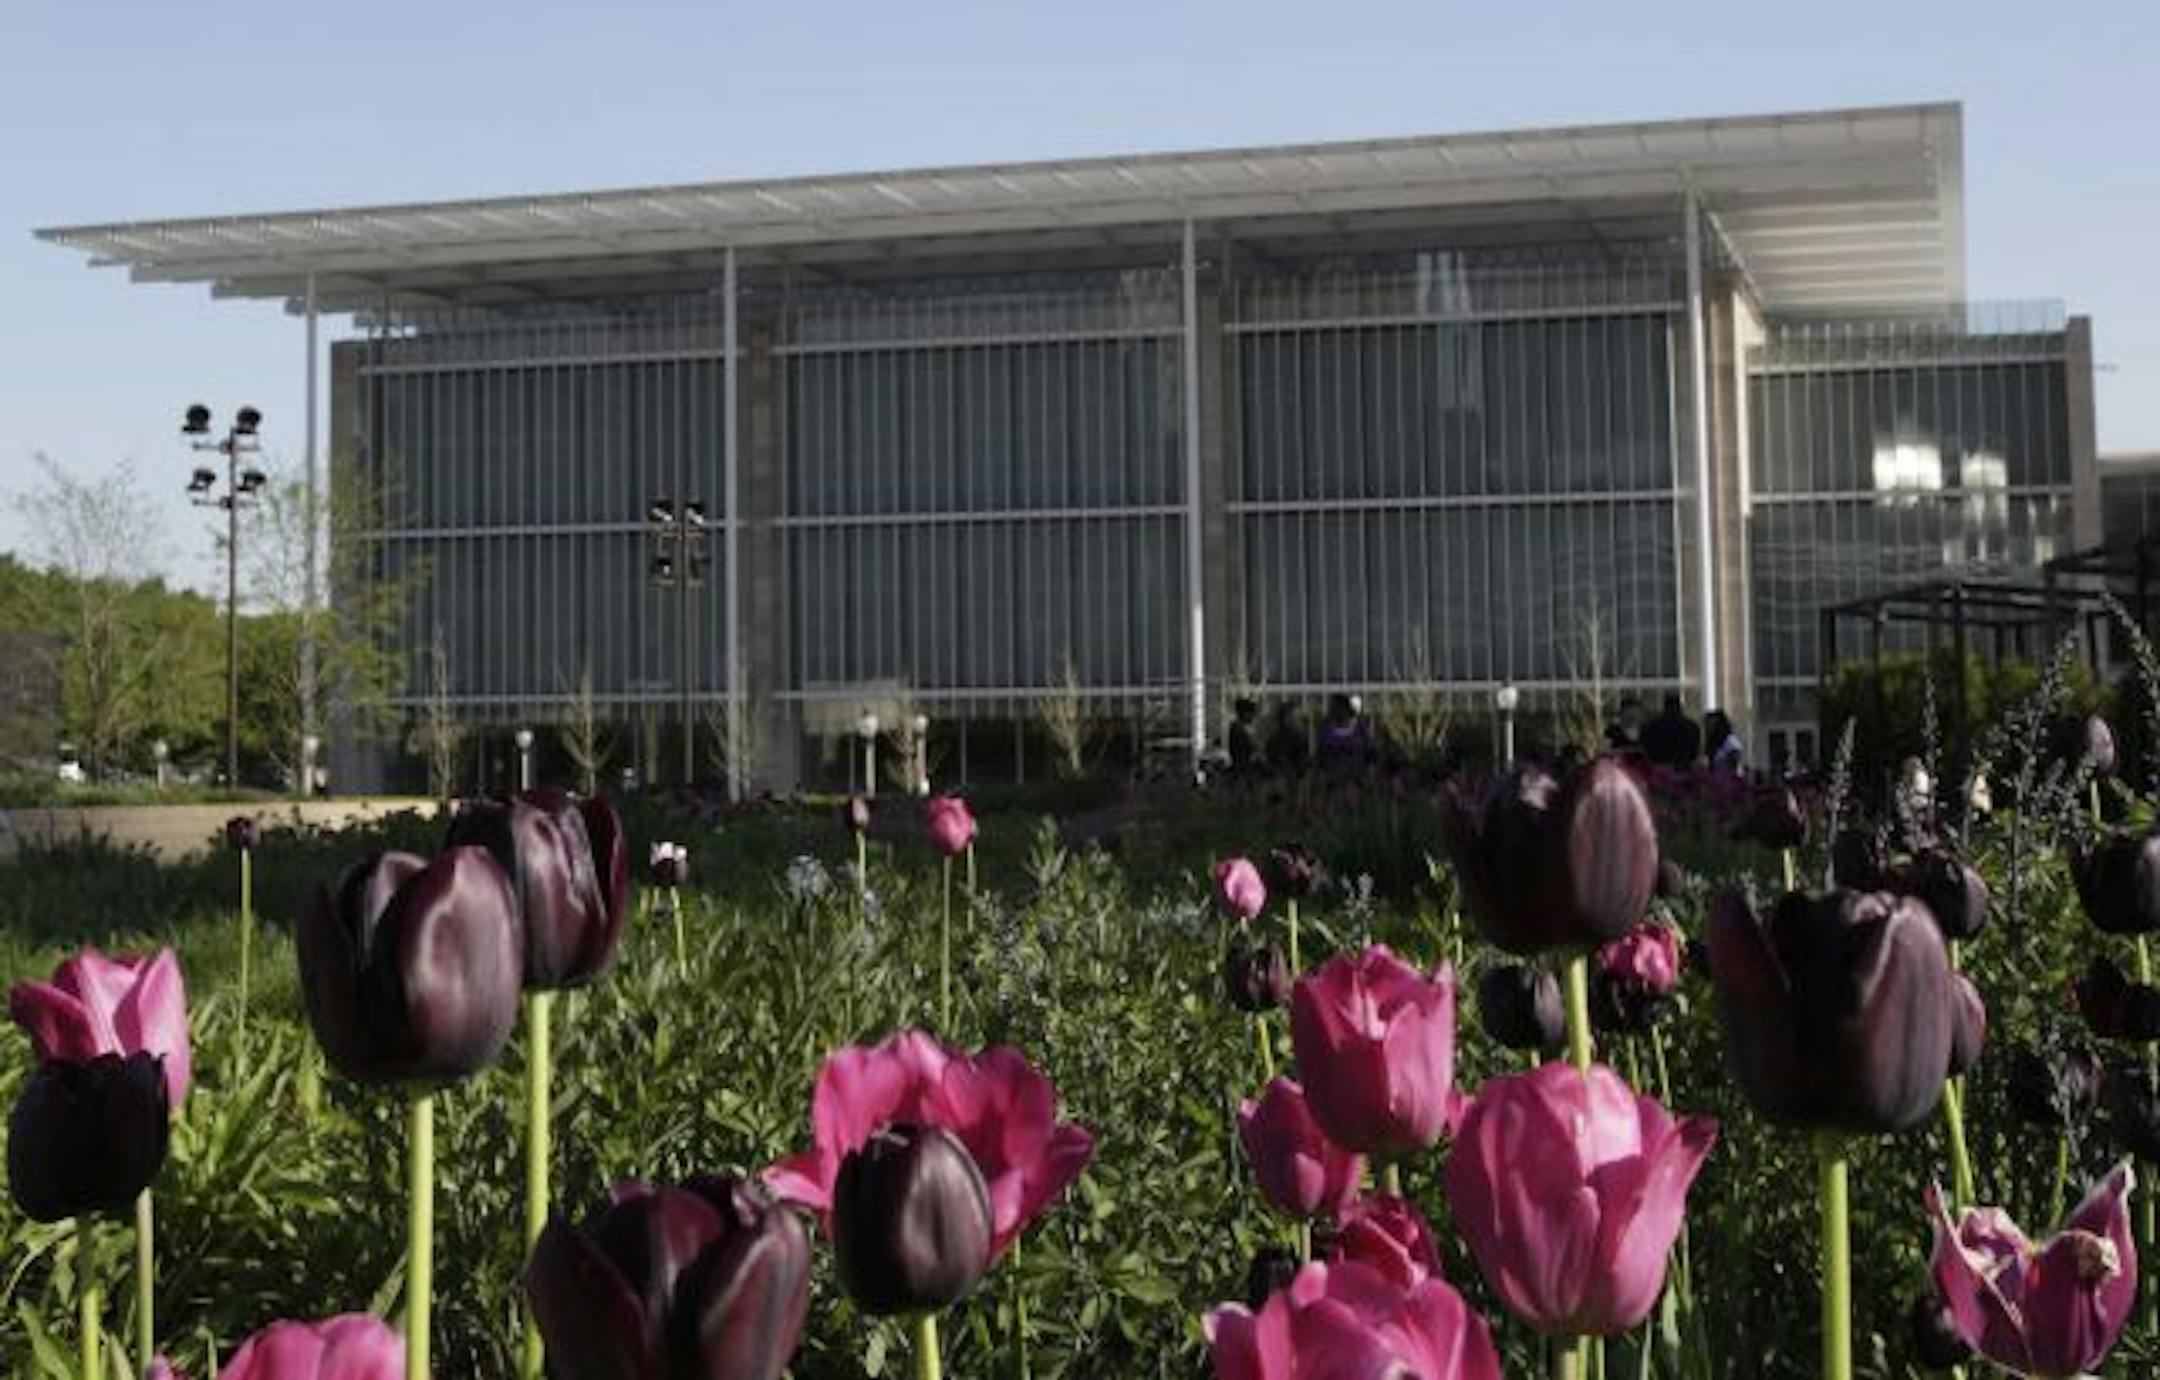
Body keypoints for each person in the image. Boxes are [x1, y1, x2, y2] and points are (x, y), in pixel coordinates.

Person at [1317, 693, 1375, 774]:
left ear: (1345, 708)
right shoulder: (1325, 728)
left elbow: (1369, 750)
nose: (1333, 710)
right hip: (1331, 775)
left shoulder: (1359, 727)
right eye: (1332, 708)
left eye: (1336, 707)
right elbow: (1320, 752)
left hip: (1357, 774)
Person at [1640, 694, 1702, 769]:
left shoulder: (1650, 727)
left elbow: (1646, 749)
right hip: (1684, 768)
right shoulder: (1692, 727)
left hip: (1659, 768)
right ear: (1680, 708)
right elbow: (1695, 751)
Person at [1266, 701, 1310, 776]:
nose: (1301, 722)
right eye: (1297, 718)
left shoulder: (1301, 738)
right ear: (1286, 719)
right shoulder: (1279, 740)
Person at [1226, 697, 1261, 776]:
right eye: (1252, 714)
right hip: (1244, 772)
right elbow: (1244, 753)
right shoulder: (1239, 732)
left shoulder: (1239, 730)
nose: (1253, 717)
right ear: (1246, 714)